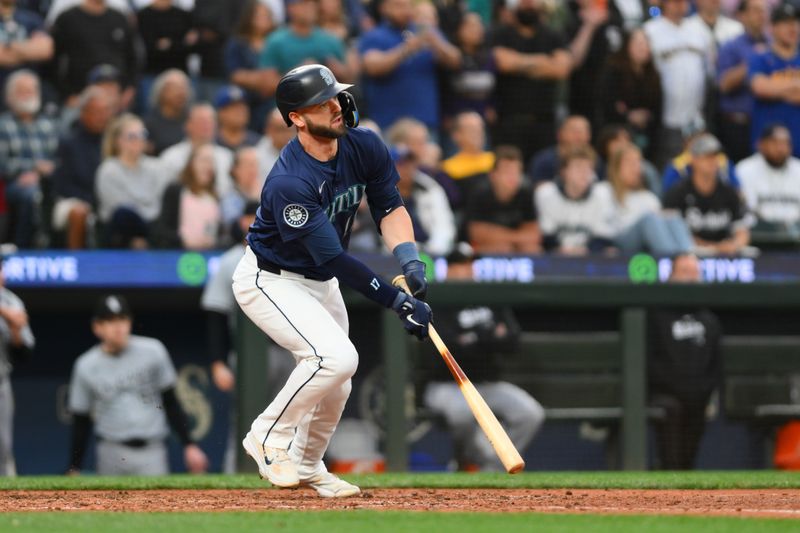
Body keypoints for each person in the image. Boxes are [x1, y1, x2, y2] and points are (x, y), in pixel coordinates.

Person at [232, 65, 431, 498]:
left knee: (338, 381)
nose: (337, 105)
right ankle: (266, 436)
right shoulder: (289, 181)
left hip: (319, 281)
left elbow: (390, 207)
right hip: (271, 279)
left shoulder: (364, 145)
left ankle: (307, 463)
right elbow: (336, 258)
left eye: (336, 96)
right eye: (322, 103)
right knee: (336, 358)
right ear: (298, 118)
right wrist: (397, 302)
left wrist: (410, 260)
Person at [417, 243, 544, 471]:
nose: (467, 271)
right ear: (449, 270)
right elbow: (449, 349)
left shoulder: (488, 296)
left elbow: (513, 342)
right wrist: (489, 336)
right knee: (462, 413)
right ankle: (472, 461)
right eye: (460, 265)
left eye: (470, 265)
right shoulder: (438, 300)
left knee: (530, 413)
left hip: (488, 385)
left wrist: (474, 338)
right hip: (448, 385)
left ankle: (490, 470)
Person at [67, 294, 209, 475]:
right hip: (111, 450)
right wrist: (74, 466)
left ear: (130, 322)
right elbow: (81, 420)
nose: (118, 327)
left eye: (122, 319)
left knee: (157, 502)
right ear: (97, 327)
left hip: (152, 450)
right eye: (110, 321)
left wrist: (189, 445)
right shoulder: (85, 364)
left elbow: (171, 402)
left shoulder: (153, 350)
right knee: (110, 503)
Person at [648, 253, 722, 470]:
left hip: (698, 396)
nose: (690, 278)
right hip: (663, 394)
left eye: (695, 273)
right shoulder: (656, 314)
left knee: (697, 407)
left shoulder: (709, 320)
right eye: (684, 272)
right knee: (672, 407)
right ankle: (669, 469)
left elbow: (715, 365)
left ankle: (685, 473)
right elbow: (649, 363)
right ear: (671, 277)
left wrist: (702, 389)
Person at [358, 0, 461, 132]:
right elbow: (372, 67)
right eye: (398, 5)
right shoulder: (375, 35)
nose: (404, 10)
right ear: (384, 9)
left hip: (425, 122)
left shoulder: (425, 31)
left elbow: (456, 61)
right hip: (388, 123)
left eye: (407, 6)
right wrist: (407, 49)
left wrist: (436, 42)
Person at [490, 0, 571, 162]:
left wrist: (519, 63)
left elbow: (562, 69)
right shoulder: (500, 34)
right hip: (509, 120)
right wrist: (543, 61)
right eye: (524, 3)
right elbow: (503, 63)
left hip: (544, 121)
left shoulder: (553, 35)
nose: (529, 5)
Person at [643, 0, 713, 169]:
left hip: (697, 118)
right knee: (669, 167)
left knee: (698, 166)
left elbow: (710, 71)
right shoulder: (650, 30)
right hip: (665, 118)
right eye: (675, 1)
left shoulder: (700, 28)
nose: (680, 5)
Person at [663, 133, 753, 255]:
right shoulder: (677, 192)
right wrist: (712, 247)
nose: (713, 161)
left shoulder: (729, 192)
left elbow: (742, 230)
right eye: (706, 156)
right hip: (689, 252)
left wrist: (734, 245)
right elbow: (670, 232)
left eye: (715, 156)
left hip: (724, 252)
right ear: (693, 159)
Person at [598, 143, 694, 256]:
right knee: (649, 220)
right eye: (630, 162)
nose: (636, 167)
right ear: (616, 166)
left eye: (638, 162)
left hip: (645, 248)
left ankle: (689, 259)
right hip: (616, 243)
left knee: (673, 217)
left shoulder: (648, 197)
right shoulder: (602, 191)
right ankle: (673, 263)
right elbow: (598, 230)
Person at [0, 69, 58, 247]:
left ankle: (54, 246)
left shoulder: (48, 125)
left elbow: (58, 161)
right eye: (22, 91)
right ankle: (23, 246)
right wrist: (33, 168)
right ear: (9, 96)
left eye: (32, 91)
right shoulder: (3, 125)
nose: (28, 95)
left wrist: (40, 173)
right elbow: (3, 164)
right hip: (13, 183)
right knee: (30, 194)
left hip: (47, 182)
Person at [51, 87, 113, 249]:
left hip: (108, 200)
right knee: (79, 212)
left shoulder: (114, 142)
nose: (102, 117)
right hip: (74, 199)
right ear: (83, 113)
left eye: (106, 111)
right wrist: (91, 202)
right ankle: (77, 262)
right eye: (97, 111)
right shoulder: (69, 142)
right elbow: (63, 185)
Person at [95, 113, 164, 249]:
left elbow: (160, 204)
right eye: (132, 136)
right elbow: (118, 207)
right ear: (118, 141)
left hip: (153, 226)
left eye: (142, 135)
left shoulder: (157, 167)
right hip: (121, 231)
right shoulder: (109, 170)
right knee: (124, 214)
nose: (139, 140)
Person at [50, 0, 138, 102]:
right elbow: (54, 60)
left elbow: (132, 57)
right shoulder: (67, 18)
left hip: (116, 98)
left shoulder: (119, 18)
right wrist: (67, 95)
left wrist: (129, 88)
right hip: (79, 97)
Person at [535, 146, 616, 255]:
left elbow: (603, 237)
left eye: (589, 168)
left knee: (610, 252)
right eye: (578, 167)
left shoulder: (602, 194)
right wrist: (561, 250)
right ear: (564, 171)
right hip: (555, 257)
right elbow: (546, 236)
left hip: (590, 257)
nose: (584, 173)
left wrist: (586, 250)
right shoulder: (546, 194)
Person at [597, 28, 663, 161]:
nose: (643, 48)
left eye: (646, 44)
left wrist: (646, 117)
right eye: (638, 44)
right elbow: (608, 104)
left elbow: (657, 106)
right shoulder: (613, 71)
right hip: (617, 134)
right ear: (627, 45)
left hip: (647, 136)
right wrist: (628, 116)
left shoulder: (653, 74)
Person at [716, 0, 769, 162]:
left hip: (767, 123)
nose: (761, 15)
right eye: (755, 11)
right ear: (743, 16)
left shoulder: (774, 45)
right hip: (737, 125)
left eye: (763, 11)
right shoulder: (731, 47)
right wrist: (754, 61)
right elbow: (723, 85)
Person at [464, 145, 541, 254]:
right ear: (493, 175)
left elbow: (534, 235)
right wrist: (517, 237)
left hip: (515, 247)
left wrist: (497, 234)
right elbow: (476, 234)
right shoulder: (480, 192)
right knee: (501, 248)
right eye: (507, 171)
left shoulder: (526, 192)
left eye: (517, 171)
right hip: (482, 249)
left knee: (532, 249)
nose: (513, 176)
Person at [749, 3, 800, 158]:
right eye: (785, 23)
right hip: (767, 144)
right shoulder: (761, 57)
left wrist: (775, 88)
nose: (792, 28)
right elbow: (760, 88)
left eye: (796, 22)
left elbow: (768, 87)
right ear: (772, 28)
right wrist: (796, 85)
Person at [0, 258, 35, 476]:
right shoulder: (8, 308)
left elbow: (23, 354)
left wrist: (15, 332)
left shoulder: (12, 301)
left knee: (2, 450)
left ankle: (7, 505)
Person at [155, 143, 222, 250]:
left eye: (211, 161)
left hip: (208, 254)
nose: (207, 166)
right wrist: (183, 240)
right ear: (191, 163)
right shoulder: (175, 191)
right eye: (203, 160)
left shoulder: (215, 196)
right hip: (177, 253)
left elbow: (219, 231)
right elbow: (163, 229)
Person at [159, 103, 234, 197]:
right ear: (188, 125)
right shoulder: (170, 157)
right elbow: (163, 193)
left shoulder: (227, 157)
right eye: (201, 121)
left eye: (210, 121)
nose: (207, 125)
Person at [393, 145, 456, 256]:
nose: (407, 169)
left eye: (410, 164)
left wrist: (434, 250)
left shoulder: (430, 188)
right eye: (401, 164)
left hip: (431, 251)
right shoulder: (378, 190)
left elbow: (444, 224)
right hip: (391, 255)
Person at [736, 124, 800, 234]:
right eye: (774, 143)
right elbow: (745, 211)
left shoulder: (798, 169)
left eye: (785, 143)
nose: (780, 149)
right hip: (757, 236)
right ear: (761, 144)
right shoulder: (744, 169)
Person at [223, 0, 276, 132]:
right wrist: (260, 80)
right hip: (247, 98)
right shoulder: (238, 43)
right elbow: (234, 74)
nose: (262, 20)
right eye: (258, 16)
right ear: (249, 17)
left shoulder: (278, 42)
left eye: (266, 16)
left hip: (272, 98)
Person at [440, 111, 494, 206]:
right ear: (456, 135)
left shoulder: (495, 160)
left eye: (481, 128)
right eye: (471, 129)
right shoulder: (448, 168)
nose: (478, 134)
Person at [528, 115, 600, 185]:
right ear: (560, 134)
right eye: (574, 131)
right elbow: (540, 190)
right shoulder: (544, 160)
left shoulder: (597, 160)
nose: (579, 136)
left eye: (583, 131)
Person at [0, 0, 53, 95]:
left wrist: (8, 46)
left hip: (29, 90)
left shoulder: (31, 18)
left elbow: (45, 50)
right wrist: (28, 48)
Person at [143, 69, 194, 156]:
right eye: (176, 88)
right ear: (161, 92)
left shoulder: (192, 120)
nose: (182, 93)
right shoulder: (148, 124)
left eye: (184, 88)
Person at [213, 85, 260, 152]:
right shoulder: (211, 141)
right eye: (234, 107)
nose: (240, 111)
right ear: (221, 113)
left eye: (243, 106)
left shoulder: (258, 143)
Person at [255, 108, 296, 179]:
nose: (286, 134)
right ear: (269, 129)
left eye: (289, 129)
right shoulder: (256, 157)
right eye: (280, 129)